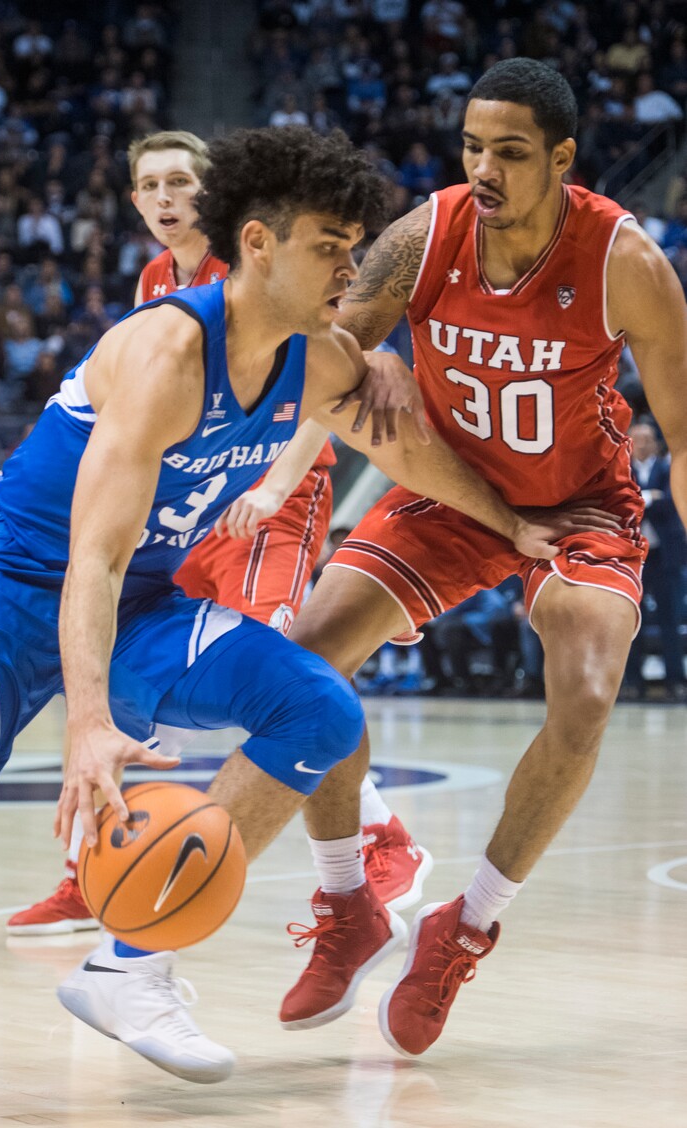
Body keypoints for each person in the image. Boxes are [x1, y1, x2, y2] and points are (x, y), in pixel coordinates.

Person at [0, 125, 570, 1083]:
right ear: (258, 242)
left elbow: (413, 458)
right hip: (18, 583)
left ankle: (131, 969)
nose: (352, 262)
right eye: (329, 245)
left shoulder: (321, 362)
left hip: (139, 601)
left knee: (320, 707)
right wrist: (87, 726)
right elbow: (86, 557)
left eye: (355, 243)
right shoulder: (167, 352)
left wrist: (514, 528)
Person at [277, 60, 687, 1056]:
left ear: (561, 159)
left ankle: (463, 926)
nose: (483, 168)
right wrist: (347, 362)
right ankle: (351, 899)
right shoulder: (424, 235)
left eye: (508, 152)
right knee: (303, 662)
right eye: (471, 146)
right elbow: (324, 358)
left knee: (586, 696)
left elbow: (681, 428)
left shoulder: (623, 259)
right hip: (449, 493)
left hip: (581, 506)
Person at [6, 129, 428, 939]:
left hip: (274, 486)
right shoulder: (159, 282)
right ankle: (93, 865)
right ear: (134, 200)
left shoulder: (277, 269)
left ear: (224, 204)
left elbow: (326, 387)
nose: (168, 200)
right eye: (151, 186)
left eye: (181, 184)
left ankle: (376, 834)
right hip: (190, 501)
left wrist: (273, 483)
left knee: (278, 660)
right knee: (129, 673)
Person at [623, 419, 686, 700]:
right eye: (637, 438)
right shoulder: (622, 470)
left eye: (647, 438)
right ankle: (633, 682)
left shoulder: (668, 468)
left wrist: (641, 501)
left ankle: (675, 681)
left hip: (664, 556)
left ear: (656, 442)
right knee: (631, 621)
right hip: (634, 558)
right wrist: (649, 499)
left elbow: (671, 501)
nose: (643, 444)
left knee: (669, 620)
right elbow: (623, 506)